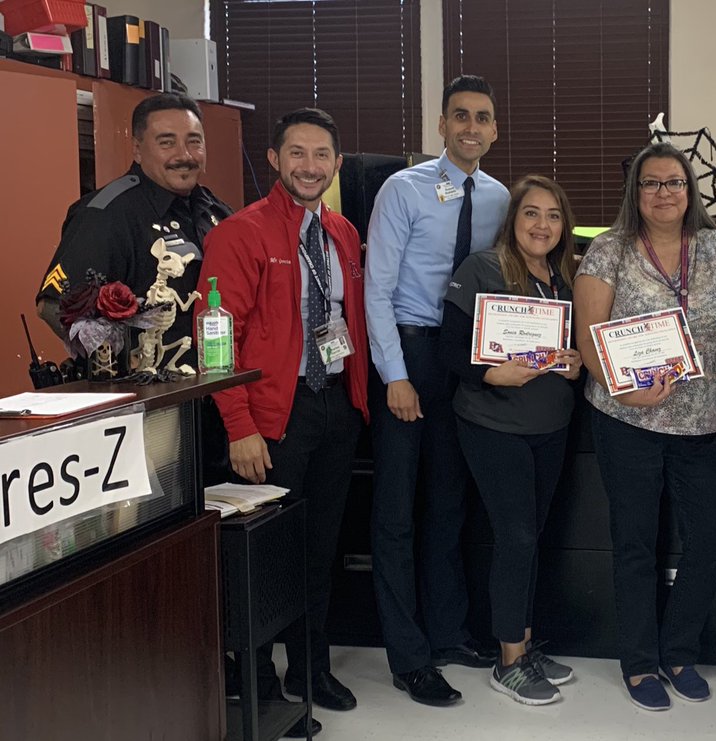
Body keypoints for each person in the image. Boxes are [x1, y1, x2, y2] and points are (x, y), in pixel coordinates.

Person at [200, 108, 369, 737]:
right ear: (274, 159)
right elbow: (217, 337)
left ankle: (310, 669)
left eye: (321, 155)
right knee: (268, 555)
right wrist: (240, 425)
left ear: (336, 164)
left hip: (334, 408)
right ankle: (262, 683)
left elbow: (347, 322)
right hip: (272, 415)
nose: (309, 166)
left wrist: (358, 402)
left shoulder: (343, 232)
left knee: (317, 548)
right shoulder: (241, 233)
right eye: (296, 153)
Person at [574, 142, 716, 711]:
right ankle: (640, 662)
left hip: (700, 422)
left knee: (710, 537)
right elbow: (589, 335)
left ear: (690, 190)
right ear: (635, 192)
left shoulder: (715, 247)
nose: (663, 193)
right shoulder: (608, 250)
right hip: (627, 419)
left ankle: (680, 650)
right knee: (637, 544)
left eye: (674, 182)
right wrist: (626, 387)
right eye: (651, 183)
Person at [364, 74, 508, 706]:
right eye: (460, 116)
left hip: (465, 357)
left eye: (482, 117)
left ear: (495, 129)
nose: (471, 127)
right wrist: (394, 374)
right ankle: (408, 655)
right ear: (442, 126)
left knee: (450, 502)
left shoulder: (503, 198)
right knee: (397, 508)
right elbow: (376, 287)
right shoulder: (404, 188)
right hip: (409, 349)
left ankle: (447, 633)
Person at [441, 175, 583, 706]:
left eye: (552, 215)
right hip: (492, 424)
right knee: (517, 538)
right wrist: (488, 375)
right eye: (531, 213)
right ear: (513, 219)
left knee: (533, 537)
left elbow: (574, 348)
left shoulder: (565, 277)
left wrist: (575, 364)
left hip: (550, 424)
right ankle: (509, 662)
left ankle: (524, 644)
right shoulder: (481, 268)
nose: (542, 224)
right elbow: (451, 351)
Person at [37, 93, 232, 367]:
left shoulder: (218, 212)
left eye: (194, 142)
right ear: (138, 150)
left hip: (215, 386)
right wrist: (115, 362)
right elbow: (52, 306)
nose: (184, 155)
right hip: (148, 395)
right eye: (167, 143)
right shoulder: (106, 214)